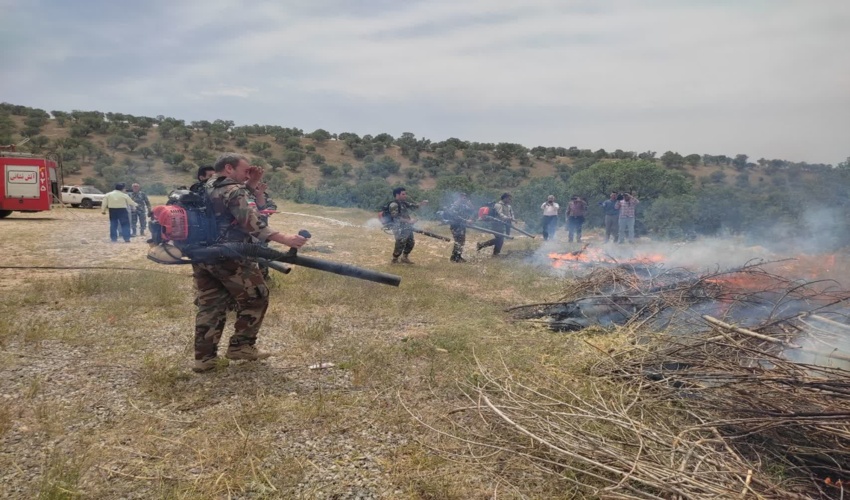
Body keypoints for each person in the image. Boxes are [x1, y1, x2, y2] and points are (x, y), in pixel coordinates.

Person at [192, 153, 308, 373]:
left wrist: (251, 183)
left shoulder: (205, 187)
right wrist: (285, 239)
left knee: (210, 305)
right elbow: (252, 222)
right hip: (231, 255)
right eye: (245, 171)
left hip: (203, 255)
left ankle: (204, 359)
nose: (248, 175)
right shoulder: (234, 190)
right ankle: (242, 346)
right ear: (228, 168)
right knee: (257, 296)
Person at [387, 187, 427, 264]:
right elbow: (395, 217)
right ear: (397, 195)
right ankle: (394, 259)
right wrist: (409, 221)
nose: (405, 195)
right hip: (398, 227)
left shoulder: (404, 203)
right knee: (400, 242)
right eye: (403, 194)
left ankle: (404, 258)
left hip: (407, 226)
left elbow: (414, 206)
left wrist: (421, 204)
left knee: (411, 242)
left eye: (405, 194)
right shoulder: (393, 204)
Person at [444, 192, 475, 263]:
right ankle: (455, 257)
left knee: (462, 241)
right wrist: (466, 220)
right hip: (455, 225)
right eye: (463, 197)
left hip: (462, 226)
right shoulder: (455, 205)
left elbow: (472, 211)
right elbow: (454, 215)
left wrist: (471, 205)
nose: (464, 198)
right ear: (459, 197)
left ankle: (457, 256)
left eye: (465, 197)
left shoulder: (464, 205)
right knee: (458, 241)